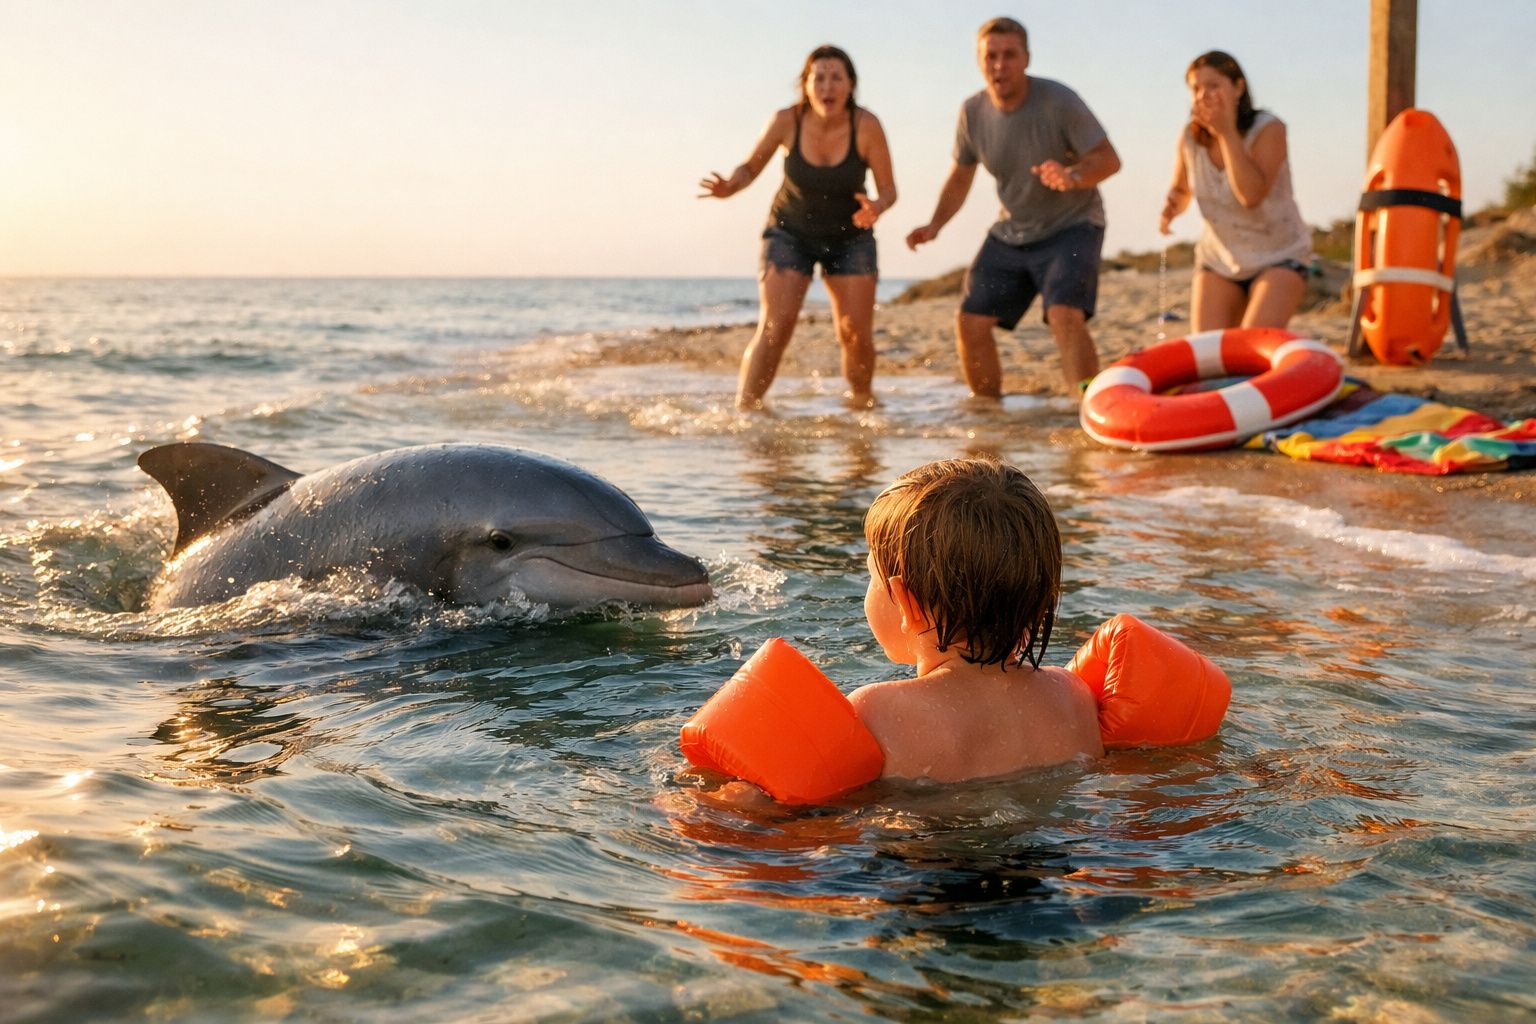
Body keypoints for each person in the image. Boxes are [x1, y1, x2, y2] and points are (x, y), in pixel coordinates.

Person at [848, 458, 1103, 782]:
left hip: (923, 833)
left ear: (907, 603)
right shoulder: (1072, 697)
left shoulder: (877, 714)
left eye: (871, 574)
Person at [906, 17, 1120, 400]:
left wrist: (1071, 174)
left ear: (1026, 59)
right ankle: (989, 416)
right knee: (970, 321)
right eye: (991, 56)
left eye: (1009, 55)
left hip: (1073, 224)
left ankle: (1090, 407)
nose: (999, 65)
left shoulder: (1059, 101)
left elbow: (1108, 159)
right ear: (979, 60)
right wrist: (936, 223)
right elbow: (960, 176)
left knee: (1063, 314)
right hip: (1013, 230)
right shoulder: (972, 111)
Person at [699, 45, 897, 411]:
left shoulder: (866, 125)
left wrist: (878, 207)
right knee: (776, 326)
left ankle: (861, 407)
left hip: (850, 237)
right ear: (805, 85)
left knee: (855, 334)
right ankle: (746, 411)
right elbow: (750, 167)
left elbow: (889, 190)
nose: (827, 86)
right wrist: (730, 186)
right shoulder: (786, 121)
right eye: (818, 78)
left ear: (850, 85)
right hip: (790, 233)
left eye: (836, 77)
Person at [1158, 50, 1312, 332]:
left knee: (1249, 348)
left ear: (1238, 87)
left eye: (1213, 85)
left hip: (1279, 256)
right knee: (1208, 354)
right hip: (1219, 259)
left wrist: (1226, 133)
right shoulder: (1190, 138)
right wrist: (1172, 207)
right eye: (1196, 88)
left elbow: (1251, 196)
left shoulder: (1269, 129)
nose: (1204, 94)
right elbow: (1181, 188)